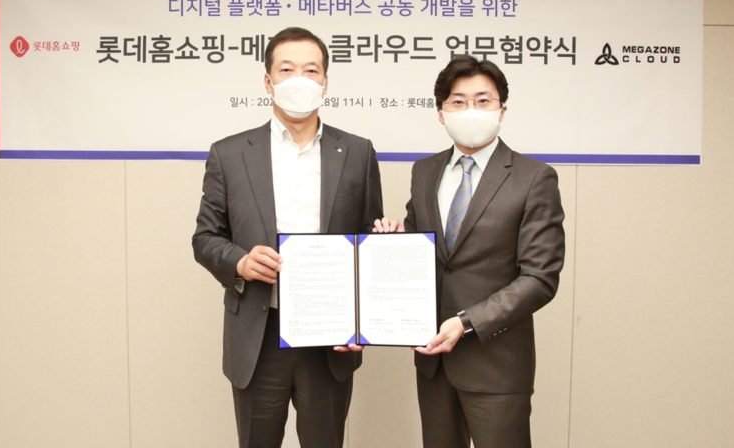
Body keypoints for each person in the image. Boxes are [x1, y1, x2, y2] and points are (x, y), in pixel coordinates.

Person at [192, 26, 383, 448]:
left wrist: (362, 321)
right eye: (287, 69)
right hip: (259, 334)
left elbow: (369, 243)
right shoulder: (230, 153)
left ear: (325, 82)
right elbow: (205, 238)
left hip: (329, 337)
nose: (300, 79)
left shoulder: (357, 152)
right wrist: (240, 262)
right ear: (268, 81)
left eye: (311, 70)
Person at [375, 55, 565, 447]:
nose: (471, 110)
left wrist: (466, 322)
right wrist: (394, 243)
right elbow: (425, 251)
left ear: (502, 110)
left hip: (496, 364)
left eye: (483, 101)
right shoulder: (424, 171)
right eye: (458, 102)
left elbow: (539, 278)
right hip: (433, 361)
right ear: (441, 113)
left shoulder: (534, 178)